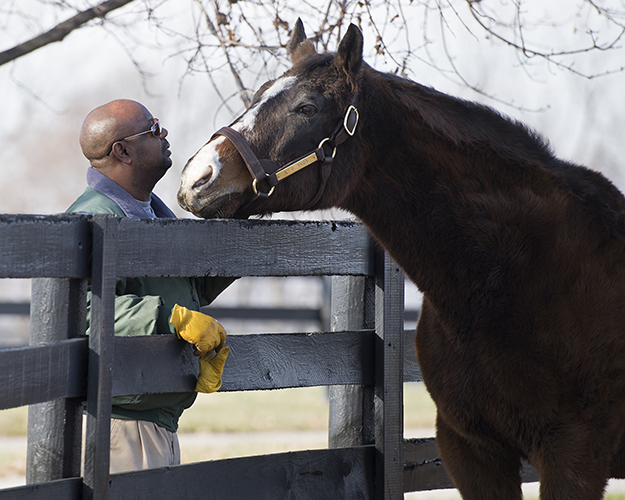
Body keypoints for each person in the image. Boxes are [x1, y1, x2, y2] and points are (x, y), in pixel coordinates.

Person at [67, 99, 235, 473]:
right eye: (153, 127)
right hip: (119, 425)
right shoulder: (92, 218)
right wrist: (171, 318)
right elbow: (82, 312)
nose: (164, 133)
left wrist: (239, 217)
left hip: (151, 419)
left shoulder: (152, 212)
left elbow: (190, 287)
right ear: (122, 151)